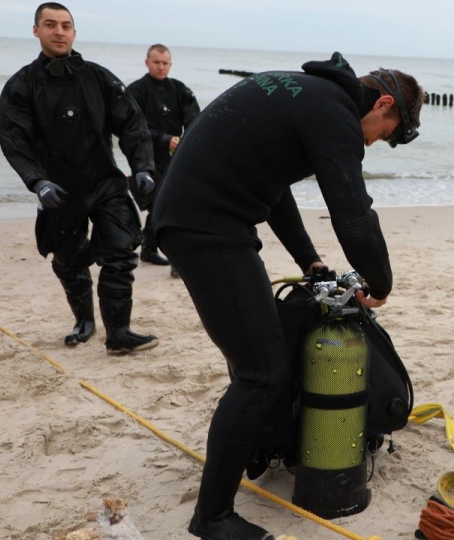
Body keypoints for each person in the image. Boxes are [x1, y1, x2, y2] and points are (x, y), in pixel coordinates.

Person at [153, 52, 423, 539]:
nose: (374, 140)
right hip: (206, 226)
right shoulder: (335, 115)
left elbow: (273, 184)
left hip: (202, 217)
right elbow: (354, 215)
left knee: (257, 358)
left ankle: (251, 451)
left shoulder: (312, 95)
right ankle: (211, 518)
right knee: (262, 374)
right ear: (383, 103)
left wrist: (308, 260)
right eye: (383, 132)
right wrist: (380, 283)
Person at [0, 3, 159, 355]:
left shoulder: (98, 77)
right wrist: (38, 181)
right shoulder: (22, 84)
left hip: (105, 182)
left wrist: (144, 167)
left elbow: (132, 124)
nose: (59, 31)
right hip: (59, 189)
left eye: (66, 25)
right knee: (69, 260)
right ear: (36, 30)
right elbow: (13, 138)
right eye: (51, 25)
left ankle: (119, 333)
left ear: (74, 32)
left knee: (119, 254)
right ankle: (84, 321)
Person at [126, 43, 201, 268]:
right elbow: (132, 127)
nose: (160, 67)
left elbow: (194, 121)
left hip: (172, 156)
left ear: (170, 65)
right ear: (147, 62)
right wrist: (164, 138)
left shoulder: (179, 90)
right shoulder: (136, 90)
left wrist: (189, 143)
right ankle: (147, 246)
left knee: (165, 202)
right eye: (156, 62)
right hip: (143, 156)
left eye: (164, 63)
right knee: (157, 202)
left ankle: (149, 248)